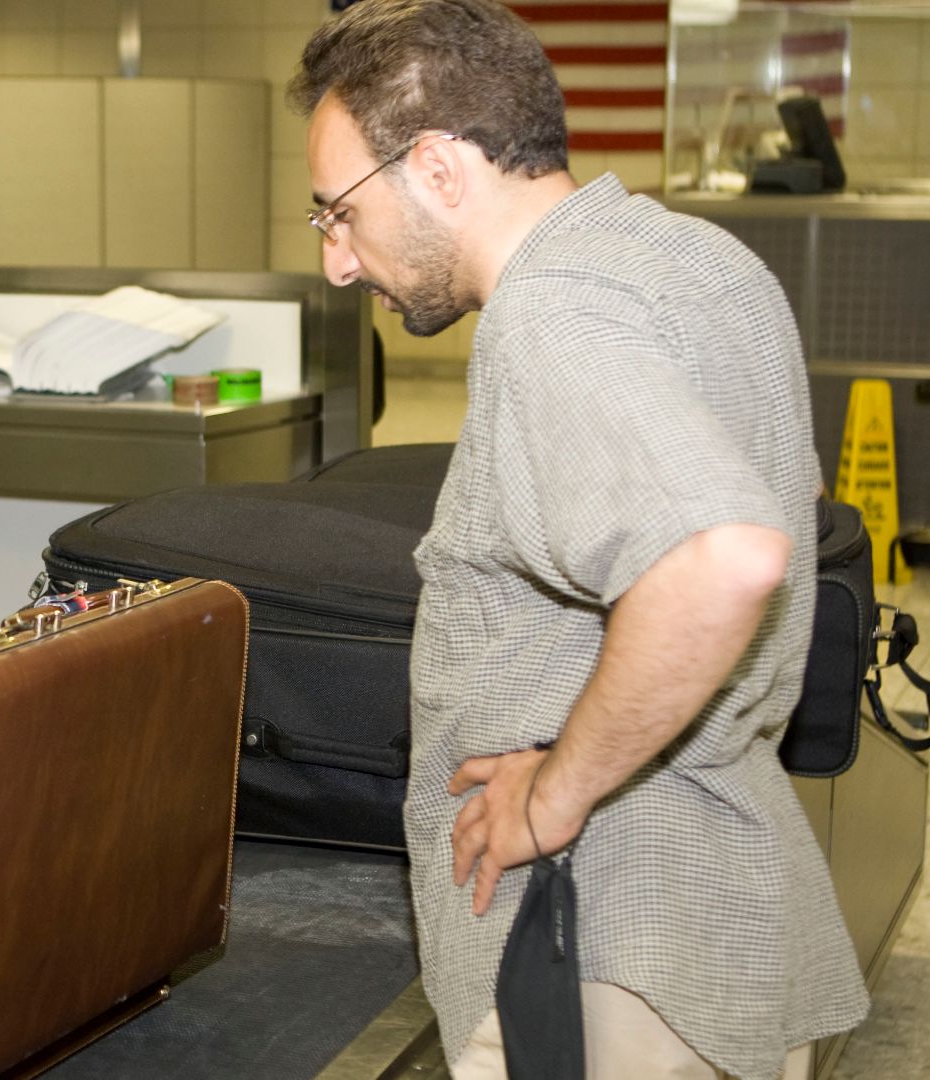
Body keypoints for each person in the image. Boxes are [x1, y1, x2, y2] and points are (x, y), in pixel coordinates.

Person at [292, 2, 867, 1077]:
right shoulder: (692, 259)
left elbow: (723, 555)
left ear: (439, 167)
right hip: (722, 909)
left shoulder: (552, 314)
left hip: (602, 935)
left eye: (339, 212)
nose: (337, 259)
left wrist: (554, 796)